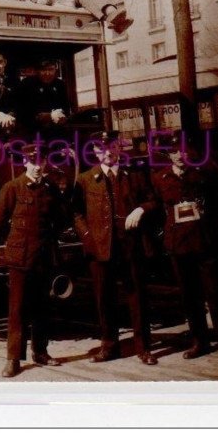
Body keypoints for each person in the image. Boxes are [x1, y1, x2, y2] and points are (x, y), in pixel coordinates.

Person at [151, 131, 218, 368]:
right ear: (168, 155)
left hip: (205, 243)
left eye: (182, 149)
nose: (179, 155)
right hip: (179, 246)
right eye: (173, 151)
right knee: (189, 297)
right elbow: (160, 210)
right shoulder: (160, 178)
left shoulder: (203, 174)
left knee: (215, 295)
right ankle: (199, 340)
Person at [72, 131, 158, 365]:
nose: (107, 152)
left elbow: (153, 201)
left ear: (119, 147)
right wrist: (88, 236)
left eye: (111, 147)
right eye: (101, 149)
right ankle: (109, 346)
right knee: (104, 298)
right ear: (95, 152)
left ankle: (144, 347)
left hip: (131, 246)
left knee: (137, 296)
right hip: (101, 249)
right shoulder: (85, 179)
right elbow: (76, 212)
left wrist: (141, 209)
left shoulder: (136, 175)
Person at [0, 142, 68, 378]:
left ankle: (41, 352)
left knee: (42, 307)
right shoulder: (12, 188)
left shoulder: (51, 189)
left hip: (44, 256)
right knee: (17, 310)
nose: (37, 166)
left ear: (45, 162)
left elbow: (61, 218)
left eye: (41, 161)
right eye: (33, 162)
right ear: (24, 162)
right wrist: (16, 240)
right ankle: (13, 359)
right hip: (20, 258)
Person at [19, 58, 71, 136]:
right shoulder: (27, 84)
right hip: (33, 131)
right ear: (37, 71)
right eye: (43, 70)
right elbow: (23, 110)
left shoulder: (60, 84)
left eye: (51, 69)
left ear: (55, 69)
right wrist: (43, 116)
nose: (47, 73)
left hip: (57, 129)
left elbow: (66, 107)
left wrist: (59, 114)